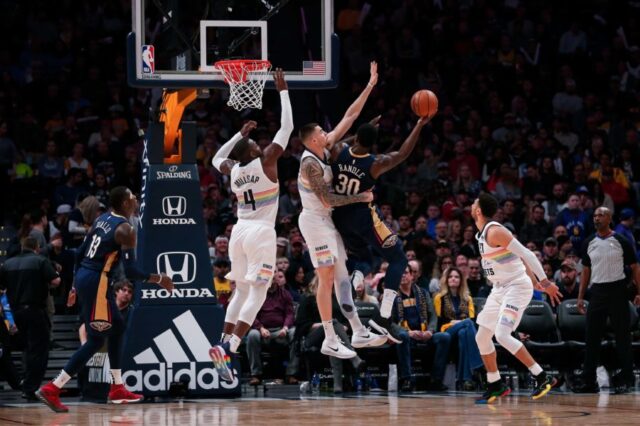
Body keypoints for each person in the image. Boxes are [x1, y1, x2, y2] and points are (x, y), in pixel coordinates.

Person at [35, 187, 174, 412]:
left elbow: (80, 253)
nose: (135, 198)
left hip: (86, 277)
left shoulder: (102, 219)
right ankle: (53, 387)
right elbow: (130, 272)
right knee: (96, 340)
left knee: (117, 327)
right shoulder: (126, 229)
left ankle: (117, 387)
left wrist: (74, 286)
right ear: (125, 203)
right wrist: (159, 279)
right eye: (132, 197)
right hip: (97, 282)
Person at [208, 70, 300, 381]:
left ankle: (222, 342)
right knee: (257, 295)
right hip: (260, 232)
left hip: (238, 232)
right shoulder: (267, 161)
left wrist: (237, 135)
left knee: (240, 293)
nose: (261, 143)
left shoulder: (234, 170)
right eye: (254, 142)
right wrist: (283, 92)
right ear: (253, 151)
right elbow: (287, 127)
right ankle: (230, 346)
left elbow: (215, 159)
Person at [297, 61, 387, 359]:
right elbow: (327, 201)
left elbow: (350, 116)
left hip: (325, 222)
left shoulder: (323, 150)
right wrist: (360, 197)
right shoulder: (309, 164)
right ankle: (329, 337)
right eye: (322, 131)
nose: (327, 132)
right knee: (324, 278)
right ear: (312, 139)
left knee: (342, 277)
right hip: (314, 220)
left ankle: (358, 331)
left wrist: (370, 85)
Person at [331, 112, 429, 345]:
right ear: (373, 143)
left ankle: (357, 276)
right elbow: (404, 153)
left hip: (340, 218)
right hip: (363, 218)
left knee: (364, 256)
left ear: (356, 139)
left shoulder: (338, 152)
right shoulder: (375, 163)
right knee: (398, 259)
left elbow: (337, 142)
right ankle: (384, 314)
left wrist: (360, 132)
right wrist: (418, 125)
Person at [471, 193, 562, 404]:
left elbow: (528, 254)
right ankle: (496, 384)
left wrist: (545, 282)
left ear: (478, 211)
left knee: (502, 334)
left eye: (474, 203)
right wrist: (533, 278)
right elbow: (517, 259)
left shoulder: (495, 231)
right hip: (500, 289)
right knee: (482, 337)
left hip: (516, 288)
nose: (472, 205)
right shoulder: (482, 233)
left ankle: (542, 376)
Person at [574, 207, 640, 394]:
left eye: (601, 215)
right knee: (592, 338)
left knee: (623, 337)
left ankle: (627, 379)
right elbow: (585, 270)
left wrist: (638, 292)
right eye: (594, 215)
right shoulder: (589, 242)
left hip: (618, 291)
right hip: (597, 292)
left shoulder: (621, 240)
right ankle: (589, 380)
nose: (597, 218)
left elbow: (635, 267)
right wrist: (580, 296)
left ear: (610, 218)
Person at [0, 237, 61, 400]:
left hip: (13, 313)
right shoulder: (40, 260)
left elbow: (1, 290)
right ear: (37, 247)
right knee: (38, 351)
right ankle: (30, 388)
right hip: (34, 311)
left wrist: (7, 318)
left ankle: (21, 382)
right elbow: (55, 281)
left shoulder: (7, 264)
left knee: (16, 349)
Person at [392, 266, 451, 392]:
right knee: (402, 337)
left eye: (406, 273)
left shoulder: (423, 293)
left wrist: (430, 331)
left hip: (424, 333)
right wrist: (409, 332)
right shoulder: (391, 296)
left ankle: (436, 380)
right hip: (407, 335)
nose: (403, 275)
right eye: (400, 273)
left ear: (412, 276)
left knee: (444, 337)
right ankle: (406, 379)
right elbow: (389, 322)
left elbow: (433, 315)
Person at [433, 267, 483, 390]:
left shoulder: (468, 299)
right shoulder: (439, 298)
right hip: (446, 331)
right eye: (450, 277)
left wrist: (460, 323)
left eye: (456, 277)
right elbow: (438, 322)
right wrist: (454, 323)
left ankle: (465, 380)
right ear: (446, 280)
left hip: (464, 332)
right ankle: (478, 364)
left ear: (461, 280)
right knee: (466, 324)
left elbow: (472, 320)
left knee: (463, 333)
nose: (453, 279)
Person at [245, 279, 298, 386]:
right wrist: (260, 328)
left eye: (273, 279)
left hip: (281, 330)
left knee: (295, 332)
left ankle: (291, 374)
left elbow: (290, 314)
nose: (271, 282)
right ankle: (256, 374)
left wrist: (285, 328)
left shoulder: (285, 294)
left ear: (276, 280)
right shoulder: (256, 294)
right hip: (262, 331)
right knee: (252, 335)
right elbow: (251, 314)